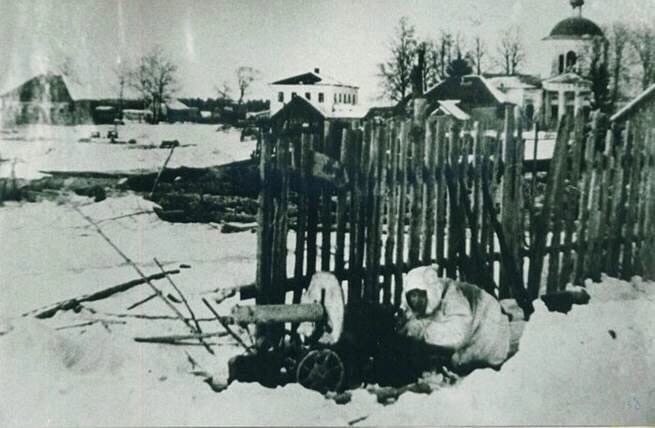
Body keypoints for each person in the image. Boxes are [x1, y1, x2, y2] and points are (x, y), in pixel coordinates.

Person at [398, 265, 517, 374]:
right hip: (474, 342)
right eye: (412, 295)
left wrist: (423, 330)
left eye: (420, 295)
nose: (416, 301)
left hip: (491, 332)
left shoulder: (453, 297)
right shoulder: (423, 303)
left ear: (429, 292)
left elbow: (458, 335)